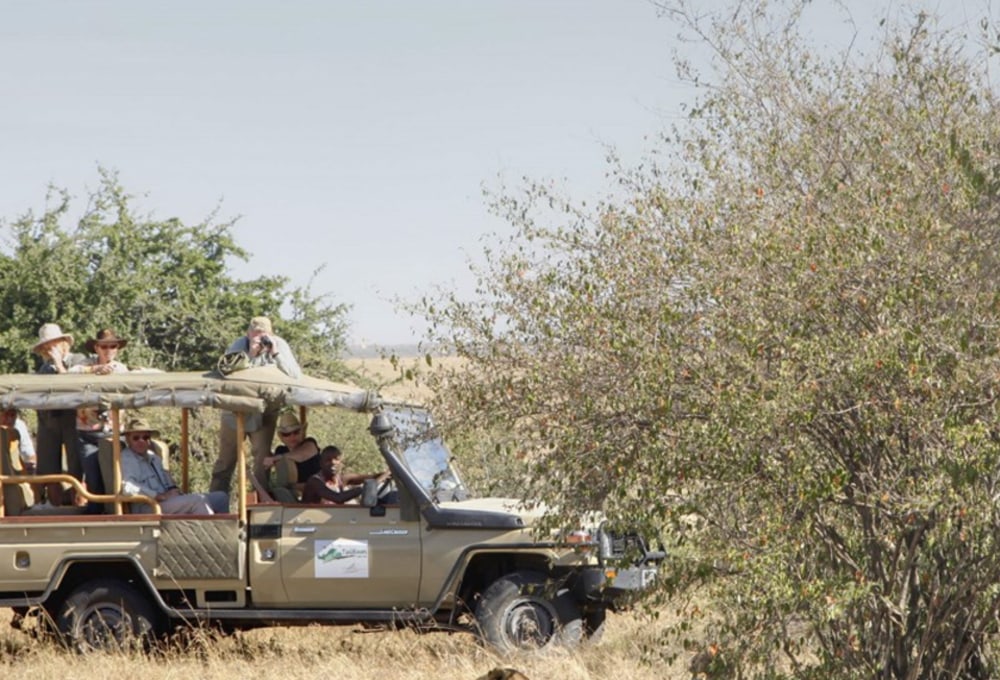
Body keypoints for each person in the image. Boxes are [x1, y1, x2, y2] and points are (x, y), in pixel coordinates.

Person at [210, 316, 302, 494]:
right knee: (225, 461)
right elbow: (224, 372)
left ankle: (260, 503)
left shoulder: (278, 345)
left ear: (271, 333)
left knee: (262, 460)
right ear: (248, 333)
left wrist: (274, 353)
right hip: (236, 411)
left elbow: (295, 375)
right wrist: (250, 355)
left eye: (264, 334)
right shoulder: (240, 345)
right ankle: (216, 502)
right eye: (256, 333)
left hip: (264, 412)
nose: (260, 337)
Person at [68, 328, 130, 513]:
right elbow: (68, 375)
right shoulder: (85, 365)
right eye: (104, 346)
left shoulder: (120, 368)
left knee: (113, 475)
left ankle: (116, 511)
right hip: (86, 432)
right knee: (92, 476)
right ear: (96, 348)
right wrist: (94, 370)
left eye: (113, 346)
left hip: (112, 432)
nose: (108, 350)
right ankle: (95, 512)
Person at [119, 416, 229, 515]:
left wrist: (174, 491)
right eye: (136, 438)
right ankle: (209, 534)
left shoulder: (153, 458)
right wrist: (157, 496)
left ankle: (225, 533)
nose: (141, 441)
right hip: (148, 506)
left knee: (221, 497)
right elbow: (128, 487)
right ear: (128, 439)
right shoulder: (127, 459)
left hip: (165, 501)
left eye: (146, 437)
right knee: (197, 501)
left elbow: (168, 483)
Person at [33, 323, 86, 506]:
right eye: (46, 347)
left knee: (76, 467)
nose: (50, 349)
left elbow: (77, 388)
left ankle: (77, 508)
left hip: (74, 420)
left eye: (54, 344)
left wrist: (59, 364)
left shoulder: (79, 360)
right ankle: (54, 509)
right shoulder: (43, 369)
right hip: (49, 420)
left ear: (64, 343)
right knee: (48, 468)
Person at [301, 445, 390, 505]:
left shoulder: (342, 479)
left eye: (336, 459)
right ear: (321, 463)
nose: (333, 463)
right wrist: (366, 488)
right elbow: (338, 498)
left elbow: (372, 477)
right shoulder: (315, 482)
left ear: (341, 463)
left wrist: (387, 474)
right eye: (328, 460)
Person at [263, 411, 321, 491]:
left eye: (296, 432)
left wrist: (276, 458)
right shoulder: (281, 450)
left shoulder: (309, 443)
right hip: (293, 494)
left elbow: (301, 456)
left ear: (302, 432)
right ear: (281, 437)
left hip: (318, 491)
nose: (292, 436)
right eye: (286, 434)